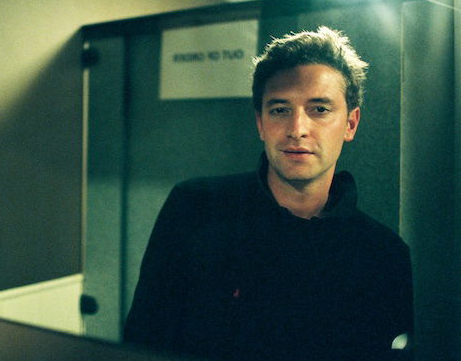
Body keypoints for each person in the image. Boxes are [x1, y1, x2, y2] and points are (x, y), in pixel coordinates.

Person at [123, 26, 413, 360]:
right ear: (260, 123)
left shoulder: (383, 254)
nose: (297, 129)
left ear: (350, 124)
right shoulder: (196, 208)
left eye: (319, 109)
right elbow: (143, 339)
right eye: (280, 109)